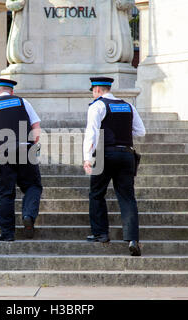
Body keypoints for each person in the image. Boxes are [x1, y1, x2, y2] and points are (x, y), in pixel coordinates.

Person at [83, 77, 146, 256]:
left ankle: (101, 233)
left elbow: (92, 132)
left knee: (96, 193)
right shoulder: (128, 106)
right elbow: (141, 131)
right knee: (127, 197)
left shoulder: (97, 106)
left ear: (96, 90)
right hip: (127, 154)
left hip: (105, 153)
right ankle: (133, 239)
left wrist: (87, 157)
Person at [0, 78, 42, 241]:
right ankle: (28, 215)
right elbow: (36, 126)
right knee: (33, 186)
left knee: (5, 193)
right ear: (12, 91)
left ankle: (7, 233)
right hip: (25, 149)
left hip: (2, 152)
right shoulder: (23, 102)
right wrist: (33, 144)